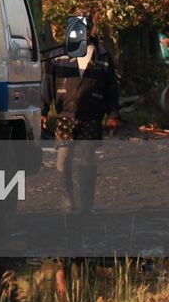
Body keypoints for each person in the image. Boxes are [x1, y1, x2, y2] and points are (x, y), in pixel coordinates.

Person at [46, 15, 121, 214]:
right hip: (65, 115)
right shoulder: (58, 54)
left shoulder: (103, 56)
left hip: (92, 114)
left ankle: (86, 204)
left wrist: (113, 114)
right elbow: (47, 83)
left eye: (84, 29)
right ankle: (67, 200)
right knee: (64, 157)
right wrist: (44, 109)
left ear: (89, 32)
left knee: (88, 155)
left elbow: (111, 87)